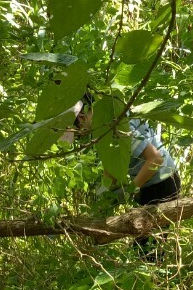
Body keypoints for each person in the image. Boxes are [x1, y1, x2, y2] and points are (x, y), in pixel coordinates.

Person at [65, 92, 181, 256]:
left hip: (163, 183)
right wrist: (105, 196)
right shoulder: (108, 121)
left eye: (80, 130)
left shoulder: (116, 126)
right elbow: (111, 164)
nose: (83, 132)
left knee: (148, 249)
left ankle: (152, 279)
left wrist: (130, 189)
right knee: (143, 245)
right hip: (151, 185)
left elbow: (155, 159)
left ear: (82, 118)